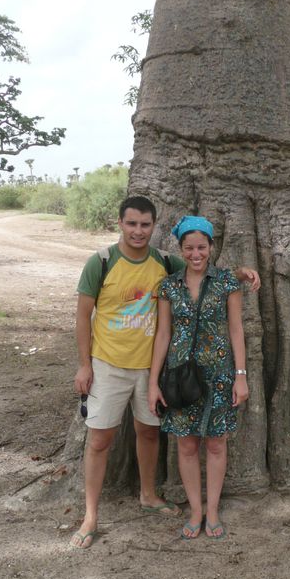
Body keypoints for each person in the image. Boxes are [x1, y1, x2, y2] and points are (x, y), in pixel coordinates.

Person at [71, 198, 259, 549]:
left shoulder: (173, 266)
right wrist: (87, 364)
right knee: (108, 440)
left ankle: (172, 501)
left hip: (186, 373)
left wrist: (241, 273)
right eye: (132, 224)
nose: (138, 231)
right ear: (120, 223)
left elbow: (215, 290)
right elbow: (92, 318)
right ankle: (93, 515)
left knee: (162, 435)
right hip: (126, 367)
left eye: (145, 225)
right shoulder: (113, 266)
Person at [148, 215, 248, 540]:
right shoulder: (168, 286)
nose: (195, 254)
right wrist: (153, 383)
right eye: (189, 247)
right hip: (180, 379)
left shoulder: (226, 283)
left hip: (219, 376)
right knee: (187, 446)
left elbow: (236, 331)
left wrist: (241, 376)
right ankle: (195, 510)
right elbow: (163, 335)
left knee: (217, 444)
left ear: (210, 247)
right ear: (181, 249)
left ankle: (214, 510)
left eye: (201, 247)